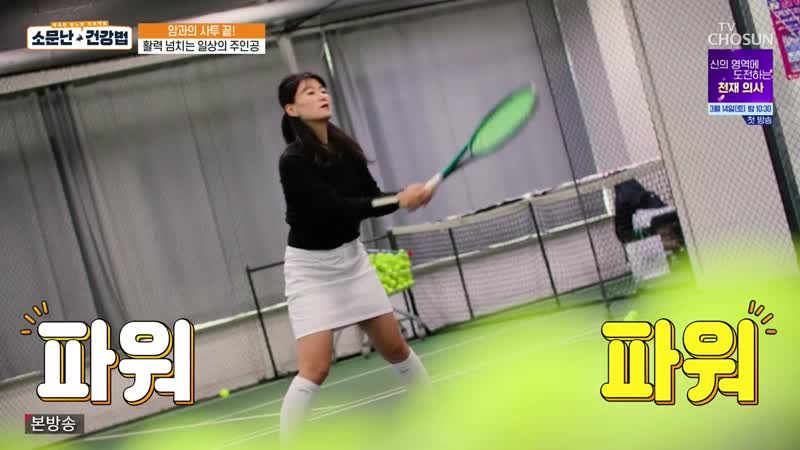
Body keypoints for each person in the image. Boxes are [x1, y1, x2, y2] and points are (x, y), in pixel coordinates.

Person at [276, 72, 434, 446]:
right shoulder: (293, 162)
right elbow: (334, 208)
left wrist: (406, 197)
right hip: (310, 271)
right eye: (309, 92)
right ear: (292, 109)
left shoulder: (346, 149)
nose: (322, 95)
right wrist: (399, 200)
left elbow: (372, 197)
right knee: (316, 368)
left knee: (395, 348)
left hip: (352, 261)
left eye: (322, 89)